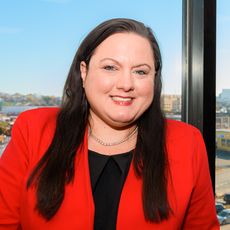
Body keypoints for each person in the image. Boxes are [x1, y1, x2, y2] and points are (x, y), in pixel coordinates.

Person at [0, 18, 219, 230]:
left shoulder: (186, 142)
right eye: (110, 67)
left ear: (154, 78)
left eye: (140, 71)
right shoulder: (34, 129)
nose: (126, 84)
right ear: (84, 72)